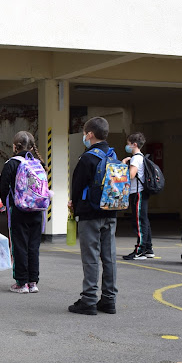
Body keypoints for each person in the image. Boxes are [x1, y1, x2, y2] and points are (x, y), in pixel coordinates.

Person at [68, 117, 118, 315]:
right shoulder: (113, 155)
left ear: (89, 134)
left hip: (90, 213)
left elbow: (78, 185)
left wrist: (74, 204)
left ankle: (88, 299)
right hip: (111, 211)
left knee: (90, 257)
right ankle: (109, 300)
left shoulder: (88, 158)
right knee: (109, 257)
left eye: (84, 133)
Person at [0, 131, 44, 293]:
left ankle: (21, 282)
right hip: (38, 210)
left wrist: (5, 204)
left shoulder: (11, 164)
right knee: (33, 246)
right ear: (32, 147)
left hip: (18, 210)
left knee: (19, 246)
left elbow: (3, 188)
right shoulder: (39, 163)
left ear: (15, 146)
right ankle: (33, 282)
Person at [122, 132, 154, 260]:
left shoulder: (136, 158)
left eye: (128, 144)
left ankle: (140, 250)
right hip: (141, 192)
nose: (127, 146)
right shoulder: (141, 157)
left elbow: (131, 175)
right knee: (144, 220)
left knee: (139, 222)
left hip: (137, 192)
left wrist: (123, 164)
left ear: (134, 144)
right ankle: (148, 248)